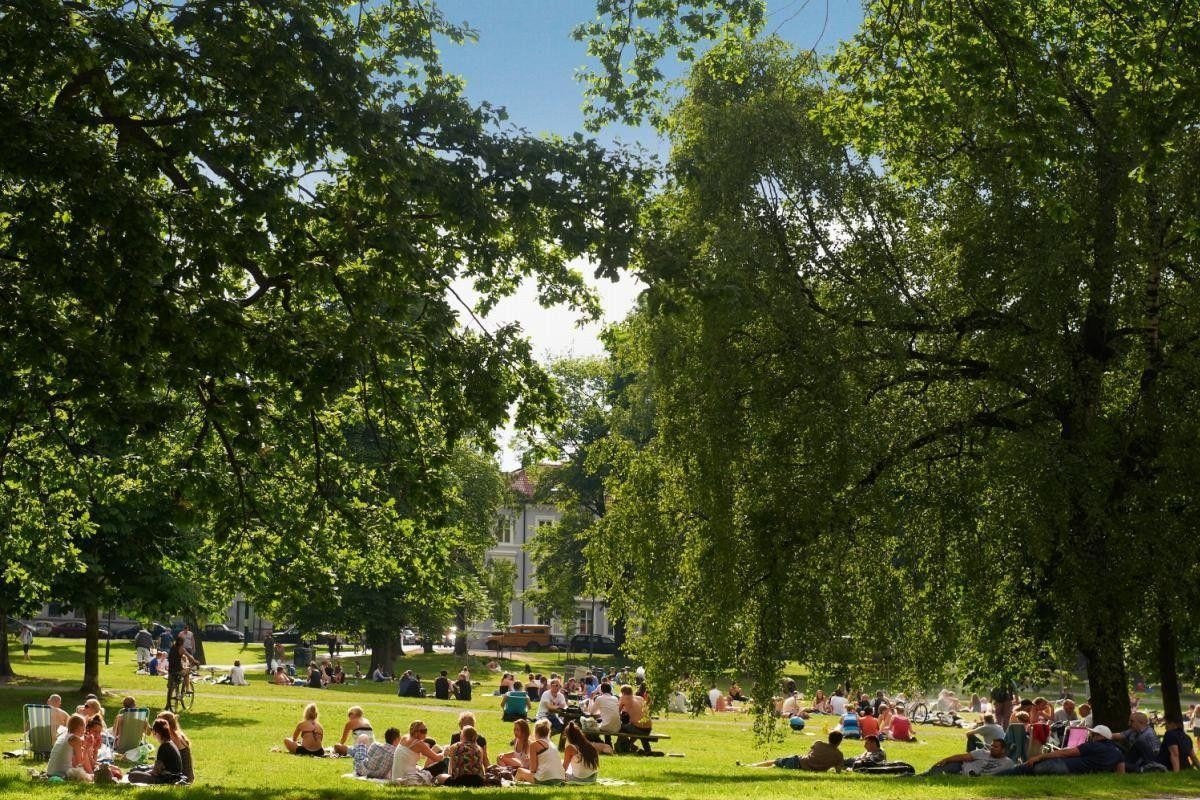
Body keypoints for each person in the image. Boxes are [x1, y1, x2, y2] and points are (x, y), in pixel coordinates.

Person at [995, 725, 1123, 775]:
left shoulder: (1093, 745)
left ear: (1100, 737)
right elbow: (1120, 774)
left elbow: (1065, 752)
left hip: (1061, 765)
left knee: (1022, 768)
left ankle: (992, 777)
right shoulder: (1118, 752)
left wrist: (1039, 757)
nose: (1092, 736)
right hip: (1073, 771)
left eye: (1094, 734)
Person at [742, 731, 845, 772]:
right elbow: (838, 770)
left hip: (799, 762)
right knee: (775, 766)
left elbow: (808, 754)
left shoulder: (818, 743)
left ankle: (750, 766)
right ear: (839, 742)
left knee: (775, 762)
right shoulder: (839, 755)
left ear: (829, 738)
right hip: (805, 767)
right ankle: (750, 767)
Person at [129, 720, 184, 785]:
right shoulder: (170, 743)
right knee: (139, 769)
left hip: (167, 778)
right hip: (175, 776)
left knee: (132, 775)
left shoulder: (163, 747)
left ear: (157, 733)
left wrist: (145, 772)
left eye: (153, 732)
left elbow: (156, 772)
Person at [924, 737, 1014, 776]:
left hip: (971, 776)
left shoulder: (1008, 763)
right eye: (991, 746)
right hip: (960, 768)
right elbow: (963, 757)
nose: (992, 748)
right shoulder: (982, 752)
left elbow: (1013, 773)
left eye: (996, 747)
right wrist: (946, 759)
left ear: (1003, 750)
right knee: (937, 770)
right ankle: (916, 777)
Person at [391, 720, 442, 786]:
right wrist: (445, 752)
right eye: (423, 731)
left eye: (425, 730)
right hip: (408, 777)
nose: (425, 733)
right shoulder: (418, 744)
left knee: (422, 767)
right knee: (441, 765)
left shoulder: (404, 737)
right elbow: (437, 758)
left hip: (395, 777)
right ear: (416, 732)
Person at [516, 718, 566, 784]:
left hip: (544, 779)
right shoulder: (553, 745)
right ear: (548, 732)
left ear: (536, 731)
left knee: (520, 771)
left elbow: (533, 769)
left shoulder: (534, 745)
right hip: (560, 779)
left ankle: (514, 784)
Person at [157, 710, 194, 784]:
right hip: (188, 777)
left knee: (137, 774)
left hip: (180, 779)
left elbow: (161, 766)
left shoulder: (171, 738)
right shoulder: (178, 734)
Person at [618, 683, 654, 754]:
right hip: (648, 728)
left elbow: (617, 712)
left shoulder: (624, 698)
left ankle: (623, 746)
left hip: (638, 728)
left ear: (623, 693)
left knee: (621, 727)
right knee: (636, 726)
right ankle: (647, 750)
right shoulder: (640, 698)